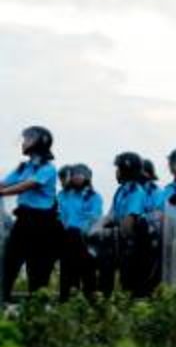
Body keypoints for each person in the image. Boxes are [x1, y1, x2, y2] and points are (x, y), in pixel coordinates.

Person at [0, 127, 61, 302]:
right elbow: (4, 184)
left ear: (40, 142)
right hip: (23, 222)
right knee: (9, 264)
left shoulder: (48, 168)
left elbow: (26, 185)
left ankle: (38, 314)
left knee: (37, 271)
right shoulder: (23, 167)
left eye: (28, 139)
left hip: (42, 226)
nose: (24, 142)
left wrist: (3, 193)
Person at [104, 152, 152, 296]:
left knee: (134, 285)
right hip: (124, 241)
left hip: (136, 242)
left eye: (118, 169)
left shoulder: (136, 192)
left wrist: (115, 234)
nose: (116, 172)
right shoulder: (121, 191)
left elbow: (128, 223)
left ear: (126, 170)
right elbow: (110, 215)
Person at [56, 164, 102, 301]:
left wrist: (79, 229)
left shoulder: (94, 197)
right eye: (74, 173)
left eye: (80, 174)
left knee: (88, 277)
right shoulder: (63, 195)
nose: (76, 176)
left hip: (85, 241)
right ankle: (65, 304)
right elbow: (59, 214)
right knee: (67, 277)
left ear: (87, 177)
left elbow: (93, 217)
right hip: (66, 239)